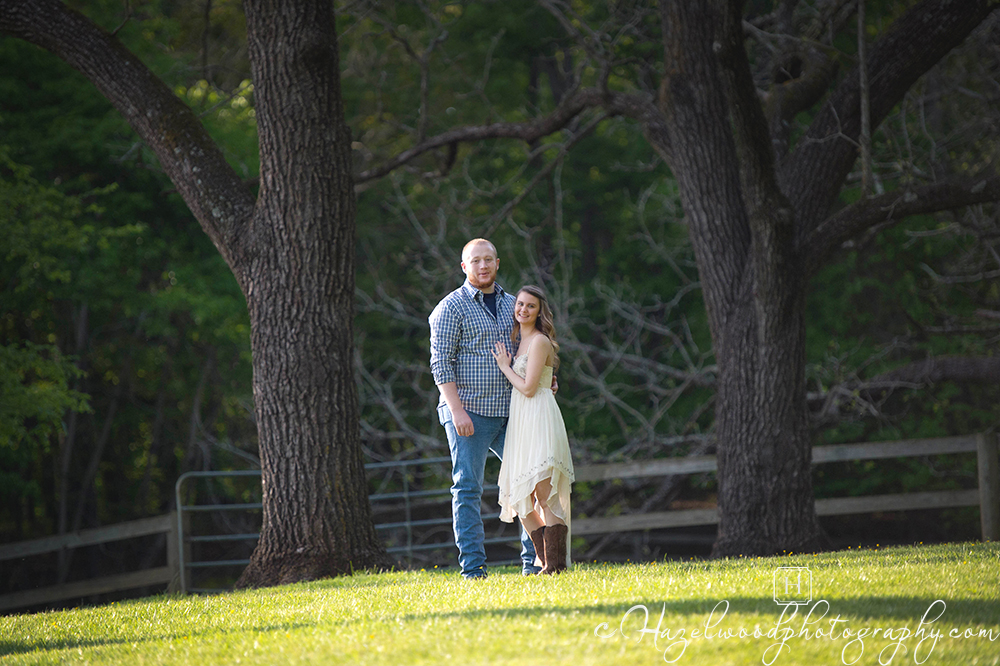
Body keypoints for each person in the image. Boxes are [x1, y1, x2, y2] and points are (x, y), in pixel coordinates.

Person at [428, 238, 543, 579]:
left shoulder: (515, 305)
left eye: (488, 259)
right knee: (468, 488)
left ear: (497, 263)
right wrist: (457, 410)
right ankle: (474, 570)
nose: (482, 266)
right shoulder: (450, 308)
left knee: (530, 483)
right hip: (469, 412)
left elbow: (533, 348)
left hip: (513, 411)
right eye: (475, 261)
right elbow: (440, 364)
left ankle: (534, 563)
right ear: (464, 267)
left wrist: (546, 380)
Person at [491, 285, 575, 574]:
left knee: (544, 494)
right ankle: (549, 564)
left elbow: (528, 388)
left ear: (540, 312)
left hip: (539, 418)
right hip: (521, 422)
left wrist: (504, 366)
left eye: (531, 306)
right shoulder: (520, 341)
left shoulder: (539, 341)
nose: (523, 310)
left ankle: (555, 568)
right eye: (521, 304)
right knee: (520, 499)